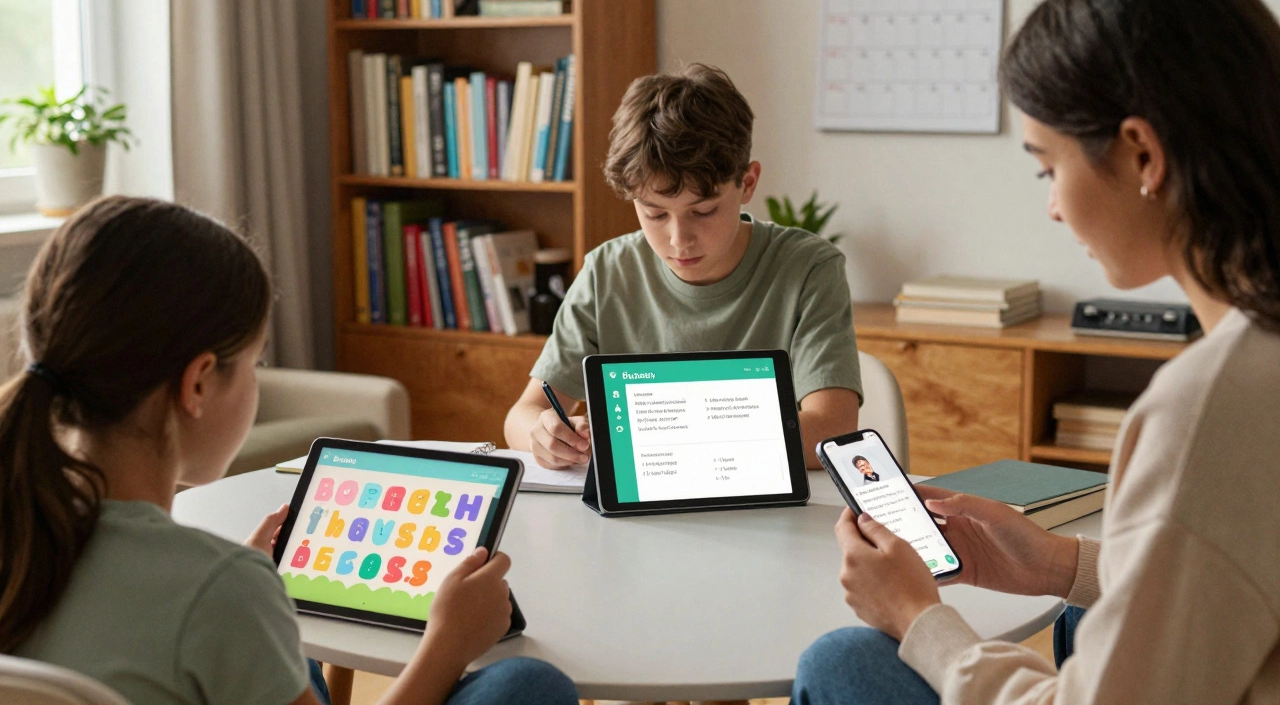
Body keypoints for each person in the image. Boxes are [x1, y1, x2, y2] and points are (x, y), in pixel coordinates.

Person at [792, 0, 1280, 702]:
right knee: (1081, 619)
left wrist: (919, 618)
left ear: (1142, 153)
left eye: (1049, 168)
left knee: (843, 663)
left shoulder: (1209, 407)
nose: (1052, 206)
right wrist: (1057, 564)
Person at [0, 196, 578, 705]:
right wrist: (447, 645)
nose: (258, 379)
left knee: (284, 645)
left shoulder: (25, 534)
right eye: (256, 362)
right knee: (528, 685)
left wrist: (248, 588)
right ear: (198, 384)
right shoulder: (219, 589)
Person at [504, 64, 863, 471]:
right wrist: (545, 434)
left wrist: (672, 441)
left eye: (704, 211)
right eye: (654, 214)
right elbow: (522, 416)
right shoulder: (606, 271)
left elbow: (832, 429)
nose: (678, 240)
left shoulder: (809, 268)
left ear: (747, 183)